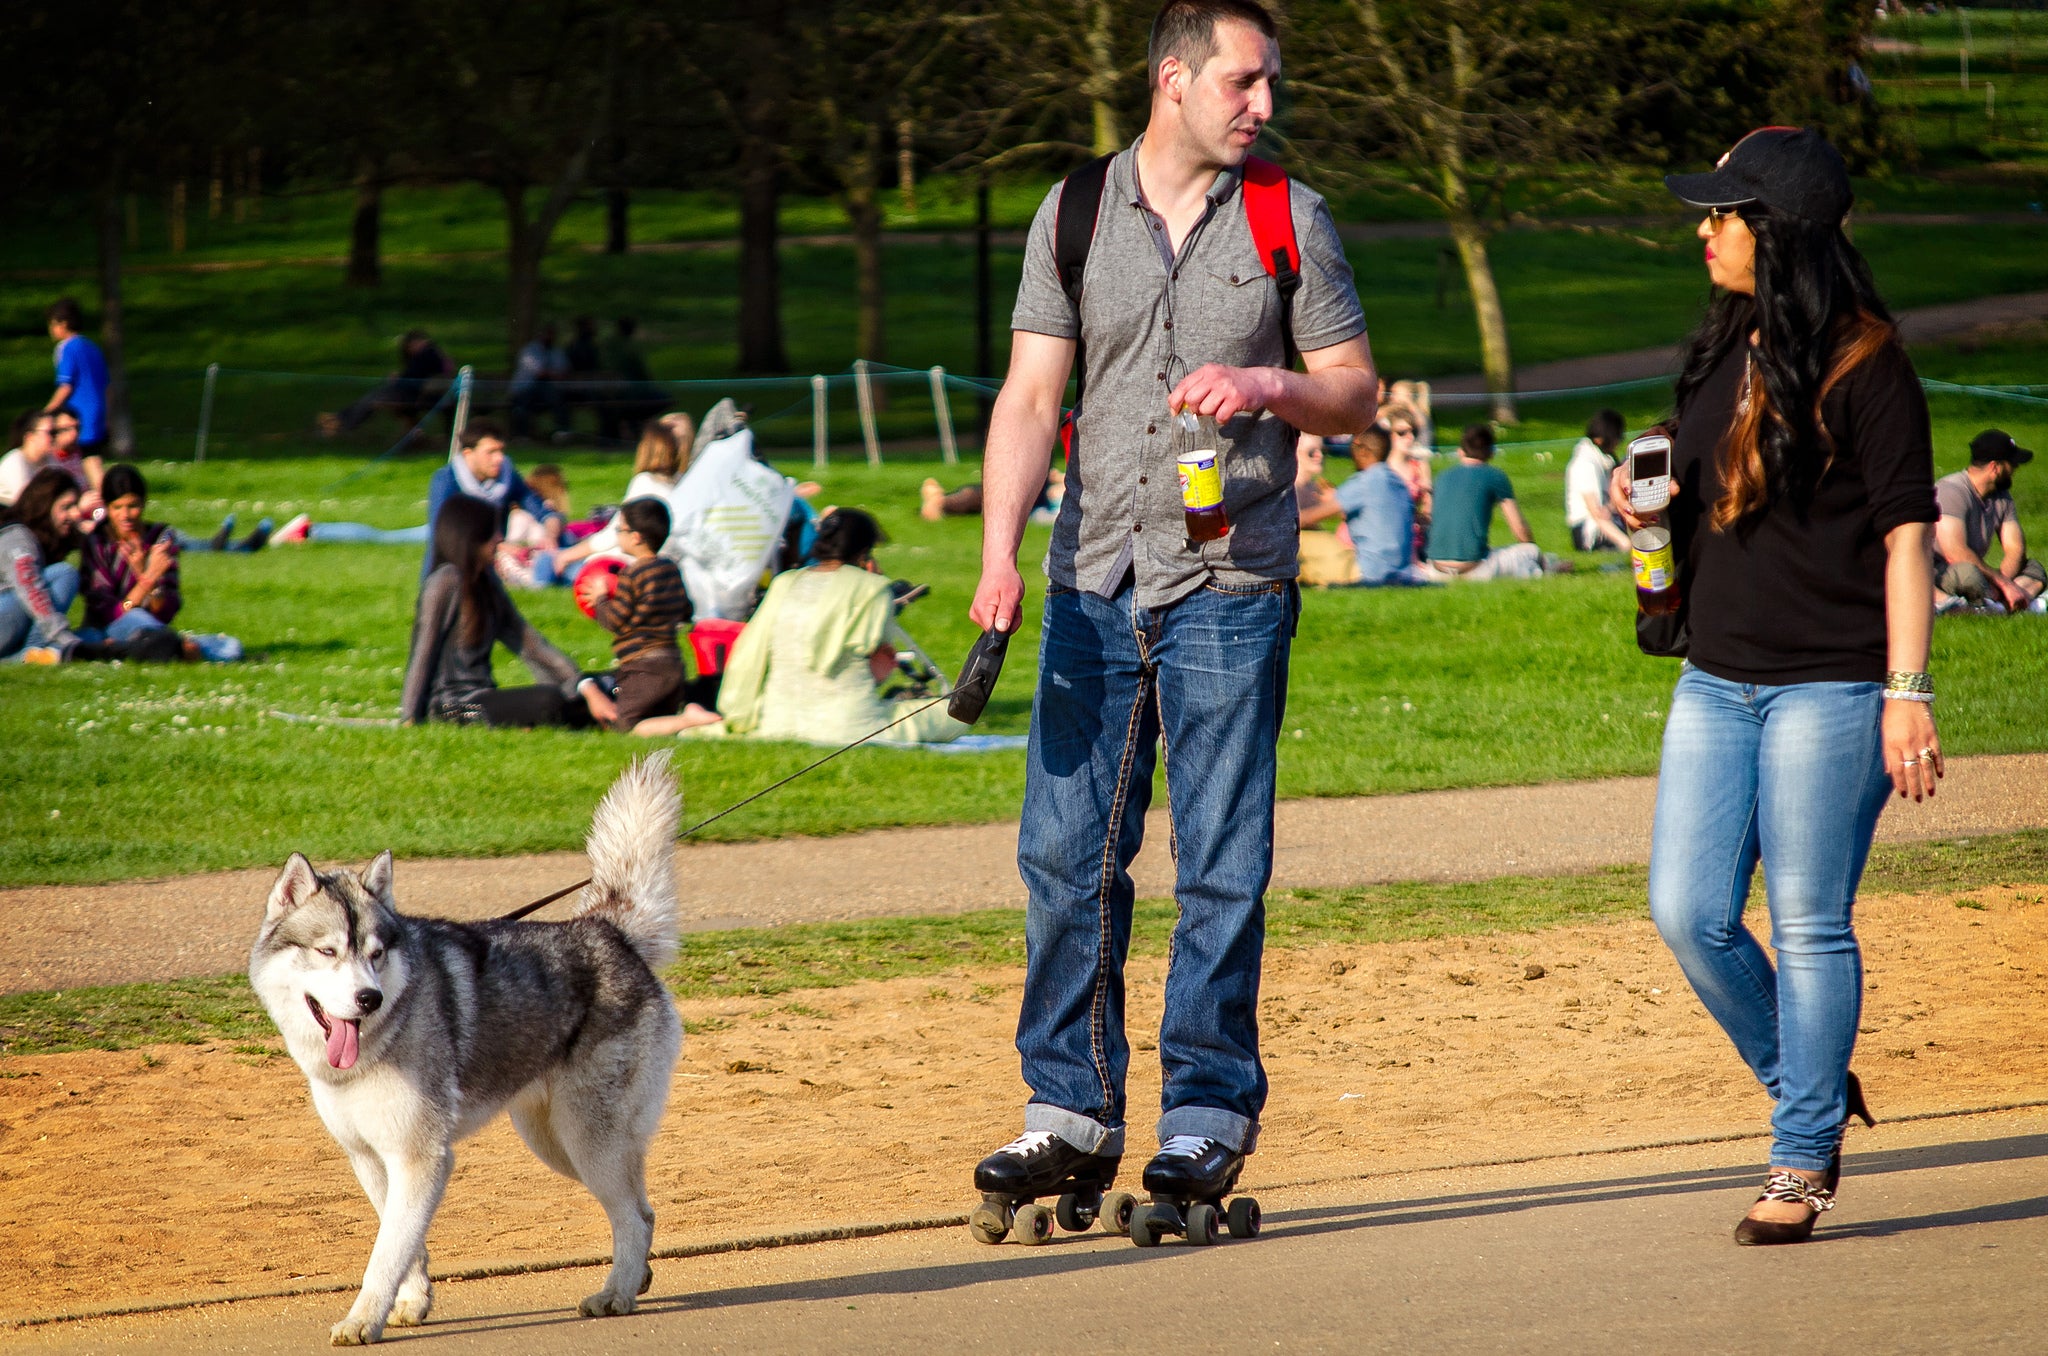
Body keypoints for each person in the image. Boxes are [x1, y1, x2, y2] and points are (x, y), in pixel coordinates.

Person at [966, 0, 1376, 1215]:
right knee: (1062, 856)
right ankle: (1070, 1111)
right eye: (1244, 83)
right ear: (1173, 80)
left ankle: (1202, 1117)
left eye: (1270, 86)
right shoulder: (1075, 210)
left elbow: (1354, 394)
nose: (1264, 105)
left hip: (1232, 586)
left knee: (1219, 865)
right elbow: (1031, 397)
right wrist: (999, 554)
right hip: (1090, 580)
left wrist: (1264, 383)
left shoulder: (1287, 218)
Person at [1618, 127, 1940, 1246]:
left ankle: (1799, 1156)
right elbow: (1699, 477)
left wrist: (1908, 691)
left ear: (1778, 231)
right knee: (1687, 911)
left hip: (1831, 690)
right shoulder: (1721, 342)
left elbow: (1909, 540)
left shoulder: (1867, 365)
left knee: (1807, 924)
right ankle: (1810, 1082)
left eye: (1722, 212)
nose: (1703, 229)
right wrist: (1640, 500)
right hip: (1714, 677)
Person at [712, 508, 968, 745]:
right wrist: (876, 581)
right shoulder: (871, 588)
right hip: (853, 727)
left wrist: (739, 713)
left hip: (777, 722)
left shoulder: (783, 583)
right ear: (865, 552)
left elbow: (749, 652)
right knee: (955, 715)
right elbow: (881, 660)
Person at [399, 495, 612, 728]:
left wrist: (584, 686)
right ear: (472, 535)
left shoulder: (487, 583)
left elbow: (532, 645)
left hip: (484, 697)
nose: (500, 539)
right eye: (494, 533)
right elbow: (423, 650)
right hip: (452, 707)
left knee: (604, 684)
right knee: (548, 701)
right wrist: (409, 717)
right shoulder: (445, 581)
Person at [76, 465, 243, 661]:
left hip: (153, 627)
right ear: (107, 507)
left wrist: (152, 584)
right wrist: (147, 578)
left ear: (144, 503)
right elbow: (112, 613)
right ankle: (178, 649)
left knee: (232, 646)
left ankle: (166, 647)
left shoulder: (160, 538)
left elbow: (165, 612)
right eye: (117, 507)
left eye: (133, 506)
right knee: (134, 620)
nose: (126, 515)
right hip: (107, 628)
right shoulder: (98, 543)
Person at [574, 499, 713, 734]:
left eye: (620, 530)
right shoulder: (670, 568)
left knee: (626, 726)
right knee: (659, 717)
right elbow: (687, 610)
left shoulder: (632, 574)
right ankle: (687, 717)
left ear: (636, 537)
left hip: (643, 667)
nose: (618, 536)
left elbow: (614, 620)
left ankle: (689, 719)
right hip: (673, 663)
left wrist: (600, 599)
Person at [422, 421, 563, 582]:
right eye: (490, 452)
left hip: (492, 564)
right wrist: (499, 547)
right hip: (453, 568)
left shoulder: (507, 477)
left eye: (501, 450)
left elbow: (544, 513)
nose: (499, 458)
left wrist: (550, 536)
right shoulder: (447, 480)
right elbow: (443, 533)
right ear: (468, 454)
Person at [1423, 424, 1567, 580]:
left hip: (1435, 569)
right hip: (1475, 569)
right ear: (1491, 453)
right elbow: (1520, 530)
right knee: (1530, 551)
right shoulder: (1495, 476)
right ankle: (1546, 568)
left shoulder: (1442, 477)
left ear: (1460, 451)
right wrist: (1531, 548)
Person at [1932, 430, 2044, 614]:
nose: (2016, 469)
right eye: (2012, 464)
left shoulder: (2002, 497)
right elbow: (1955, 552)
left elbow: (2016, 548)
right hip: (1943, 570)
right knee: (1970, 576)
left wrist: (2002, 583)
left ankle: (1996, 604)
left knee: (2034, 569)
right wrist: (2003, 584)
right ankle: (2012, 603)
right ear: (1995, 467)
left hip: (1981, 574)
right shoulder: (1951, 491)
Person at [0, 467, 84, 662]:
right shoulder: (17, 537)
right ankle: (37, 649)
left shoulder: (40, 540)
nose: (75, 514)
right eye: (67, 507)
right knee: (64, 573)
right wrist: (63, 637)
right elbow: (30, 588)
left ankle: (21, 658)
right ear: (45, 506)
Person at [1336, 425, 1435, 587]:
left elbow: (1313, 515)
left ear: (1362, 450)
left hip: (1370, 571)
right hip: (1404, 570)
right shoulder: (1398, 483)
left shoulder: (1366, 480)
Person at [321, 330, 455, 437]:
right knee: (373, 397)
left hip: (420, 395)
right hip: (417, 393)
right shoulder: (431, 353)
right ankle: (340, 419)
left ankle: (341, 422)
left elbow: (415, 376)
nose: (409, 350)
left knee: (374, 399)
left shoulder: (428, 354)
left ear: (417, 342)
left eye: (410, 346)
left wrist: (398, 378)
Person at [44, 299, 110, 486]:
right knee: (91, 457)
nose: (51, 330)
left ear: (62, 324)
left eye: (52, 324)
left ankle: (105, 498)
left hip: (78, 414)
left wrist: (48, 411)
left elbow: (66, 385)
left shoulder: (67, 348)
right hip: (97, 412)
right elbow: (107, 386)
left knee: (88, 459)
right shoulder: (93, 348)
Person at [1294, 434, 1358, 586]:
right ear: (1295, 453)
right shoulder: (1290, 489)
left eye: (1323, 450)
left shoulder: (1314, 488)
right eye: (1312, 452)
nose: (1319, 456)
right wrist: (1331, 506)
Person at [1566, 409, 1632, 552]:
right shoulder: (1586, 464)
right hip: (1589, 531)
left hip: (1604, 522)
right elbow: (1597, 513)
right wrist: (1625, 542)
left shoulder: (1601, 458)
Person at [508, 323, 571, 441]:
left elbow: (563, 370)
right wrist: (554, 374)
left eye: (552, 334)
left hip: (548, 391)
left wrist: (554, 374)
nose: (549, 337)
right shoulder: (529, 351)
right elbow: (539, 372)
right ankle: (521, 435)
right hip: (526, 389)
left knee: (559, 400)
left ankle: (562, 432)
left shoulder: (556, 352)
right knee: (521, 405)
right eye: (547, 334)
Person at [0, 410, 58, 506]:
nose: (56, 437)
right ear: (30, 437)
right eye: (51, 432)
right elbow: (26, 504)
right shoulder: (14, 463)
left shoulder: (50, 459)